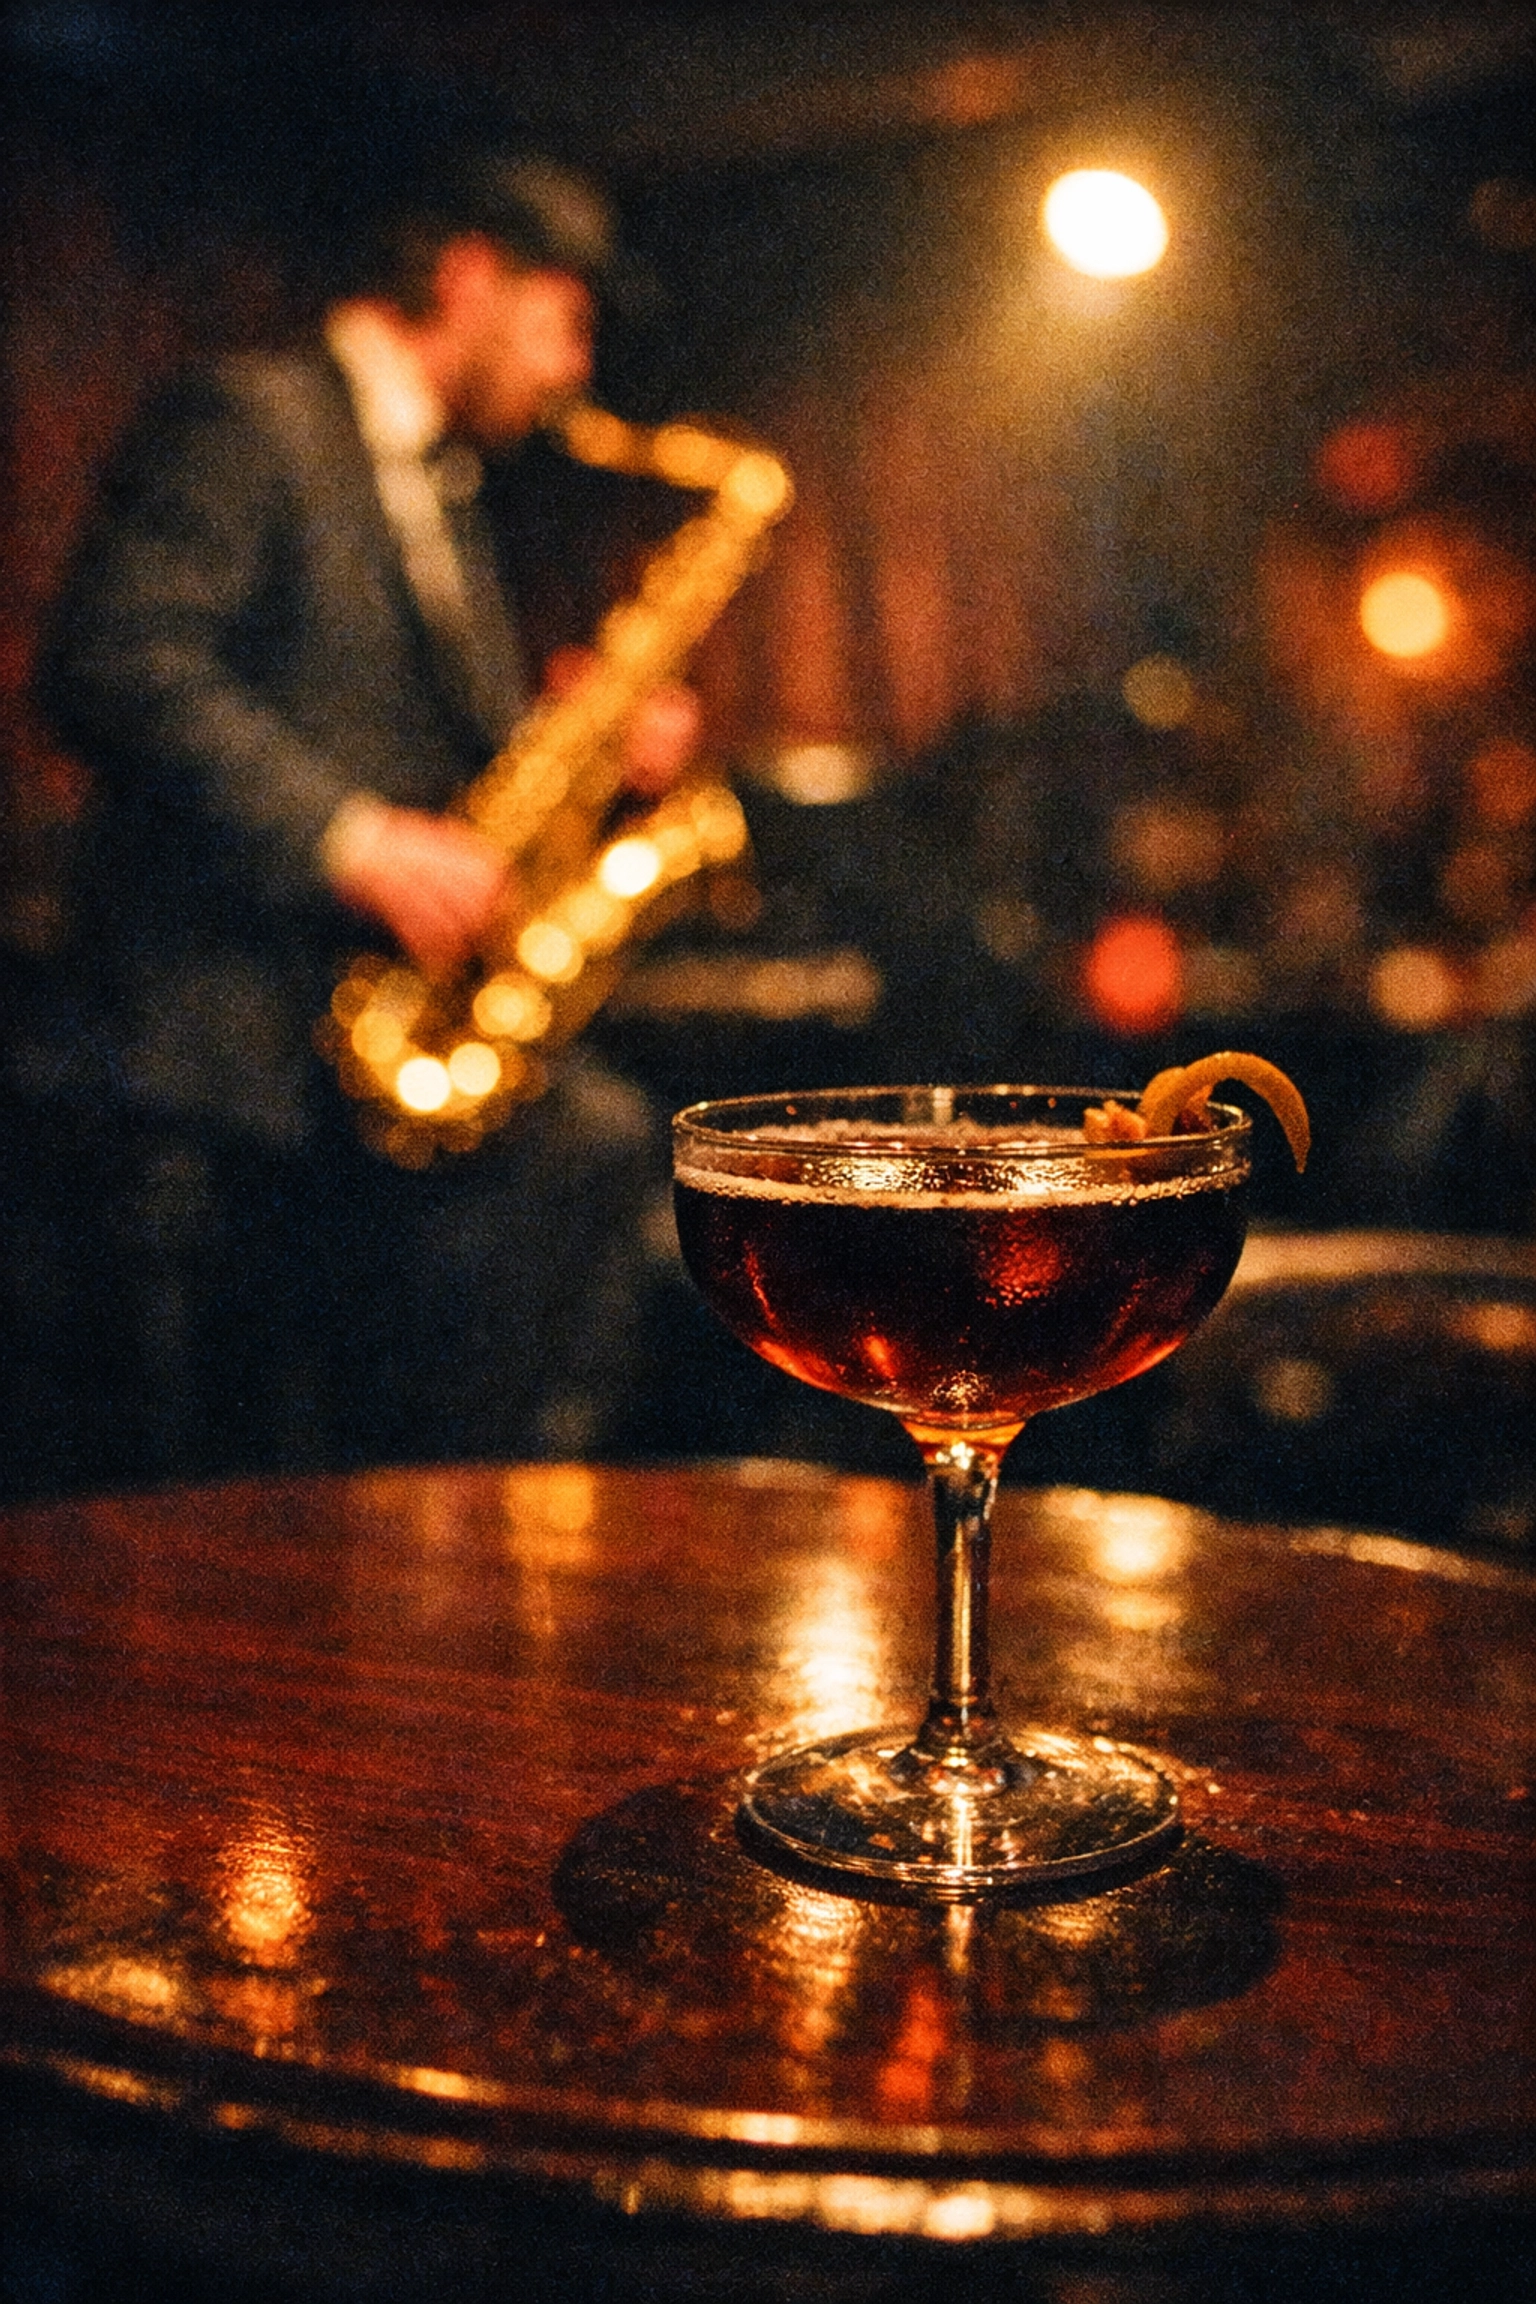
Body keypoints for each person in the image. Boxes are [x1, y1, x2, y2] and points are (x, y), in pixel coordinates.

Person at [38, 142, 700, 1481]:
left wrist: (579, 747)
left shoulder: (439, 491)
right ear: (468, 277)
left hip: (341, 1055)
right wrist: (352, 837)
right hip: (212, 1060)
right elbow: (115, 659)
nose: (573, 367)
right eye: (562, 318)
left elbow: (398, 742)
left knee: (590, 1157)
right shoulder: (253, 419)